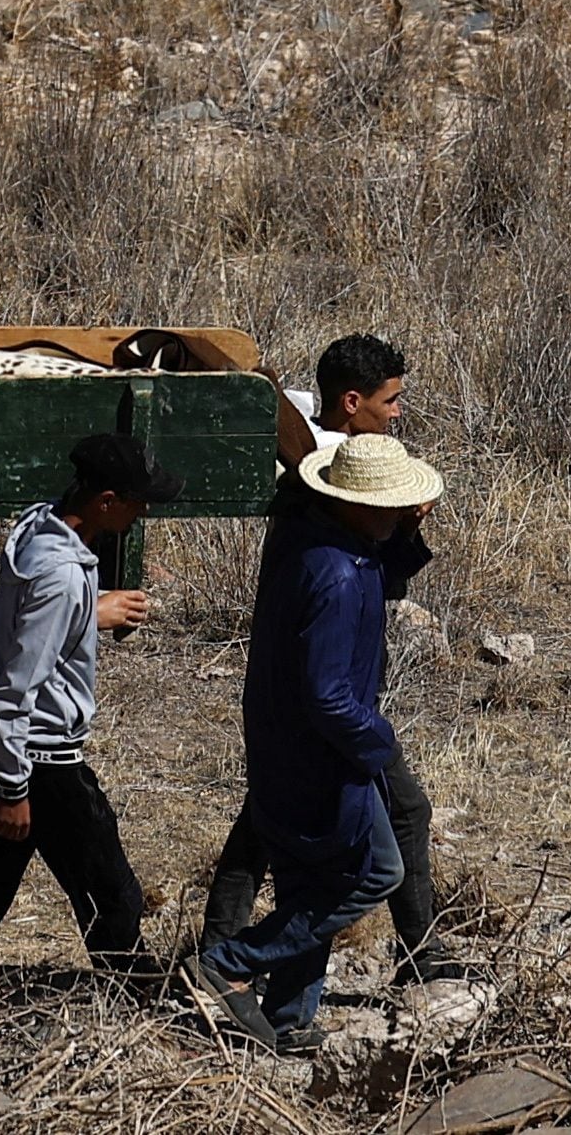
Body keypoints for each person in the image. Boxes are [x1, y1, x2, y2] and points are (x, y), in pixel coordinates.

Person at [0, 434, 171, 1038]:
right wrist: (14, 789)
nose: (141, 513)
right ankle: (142, 1024)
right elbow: (15, 688)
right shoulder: (60, 577)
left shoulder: (39, 531)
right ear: (104, 501)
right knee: (112, 894)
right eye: (134, 501)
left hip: (14, 754)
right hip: (41, 763)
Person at [198, 334, 448, 982]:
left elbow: (376, 578)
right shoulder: (319, 482)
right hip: (326, 705)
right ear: (352, 400)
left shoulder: (328, 471)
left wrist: (406, 528)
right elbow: (364, 583)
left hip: (317, 699)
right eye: (390, 400)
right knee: (386, 824)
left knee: (266, 823)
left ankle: (224, 957)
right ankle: (415, 954)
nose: (397, 412)